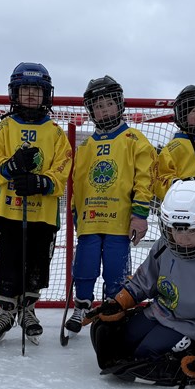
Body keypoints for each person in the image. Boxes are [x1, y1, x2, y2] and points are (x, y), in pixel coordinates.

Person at [86, 180, 195, 389]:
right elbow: (145, 278)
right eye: (176, 231)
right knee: (115, 340)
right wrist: (119, 302)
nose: (182, 239)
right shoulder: (165, 245)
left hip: (192, 325)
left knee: (146, 355)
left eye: (192, 231)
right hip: (160, 312)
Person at [0, 62, 73, 344]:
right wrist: (10, 167)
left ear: (46, 95)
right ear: (14, 93)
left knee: (37, 265)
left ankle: (28, 310)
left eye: (36, 90)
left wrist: (42, 182)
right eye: (25, 89)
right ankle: (7, 311)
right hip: (10, 212)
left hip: (43, 215)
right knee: (7, 263)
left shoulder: (55, 132)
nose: (31, 95)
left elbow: (63, 167)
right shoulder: (4, 127)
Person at [64, 75, 155, 333]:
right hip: (90, 219)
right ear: (90, 111)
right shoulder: (87, 145)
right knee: (85, 264)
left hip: (119, 221)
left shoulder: (134, 140)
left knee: (116, 268)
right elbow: (78, 182)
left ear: (120, 104)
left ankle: (114, 307)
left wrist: (140, 214)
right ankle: (82, 305)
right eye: (97, 106)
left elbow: (145, 179)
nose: (104, 110)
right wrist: (75, 211)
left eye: (109, 104)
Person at [152, 85, 195, 199]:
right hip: (182, 203)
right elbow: (160, 178)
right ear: (183, 115)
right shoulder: (174, 147)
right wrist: (178, 185)